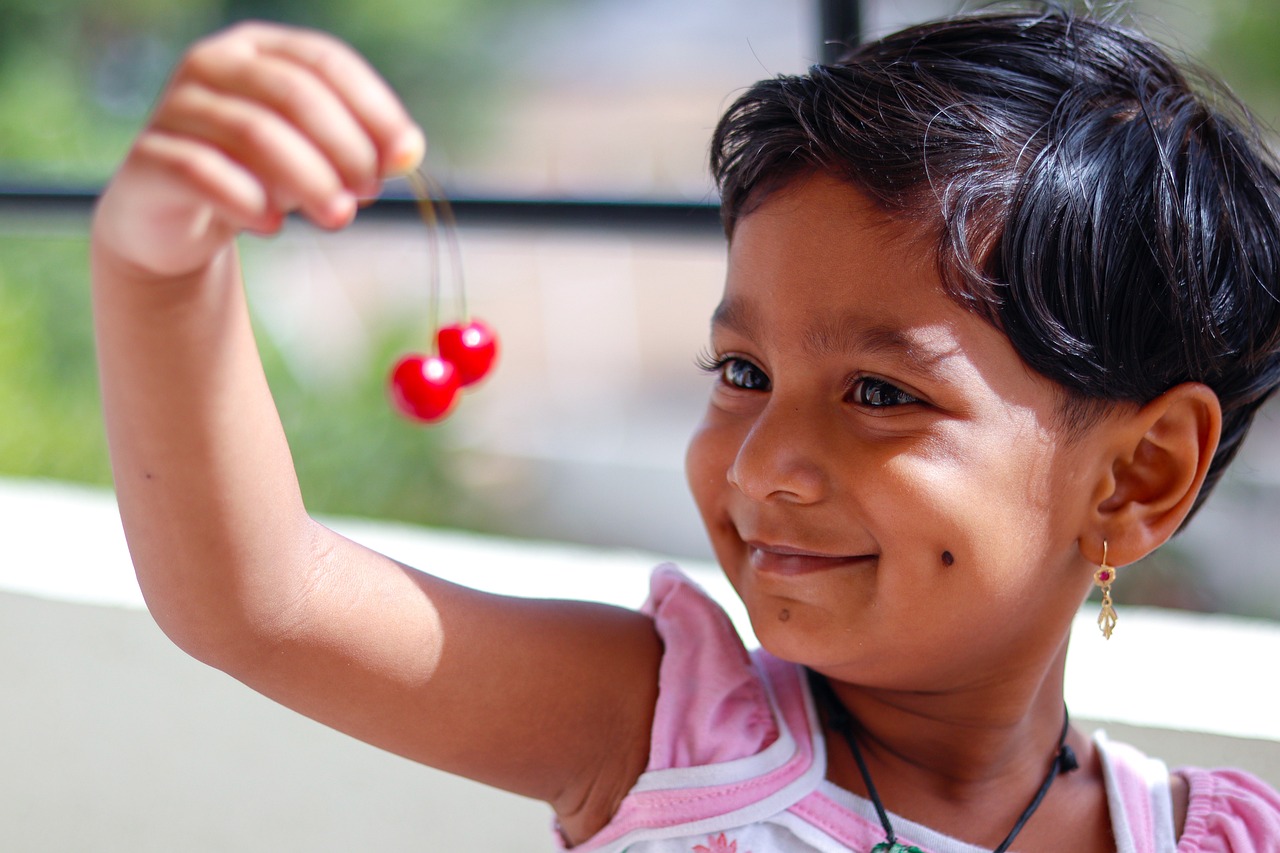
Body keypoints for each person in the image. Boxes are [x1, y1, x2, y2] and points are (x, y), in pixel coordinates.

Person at [91, 6, 1280, 852]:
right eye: (741, 368)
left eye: (877, 393)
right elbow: (264, 597)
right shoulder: (663, 731)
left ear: (1135, 475)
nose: (762, 464)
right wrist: (157, 268)